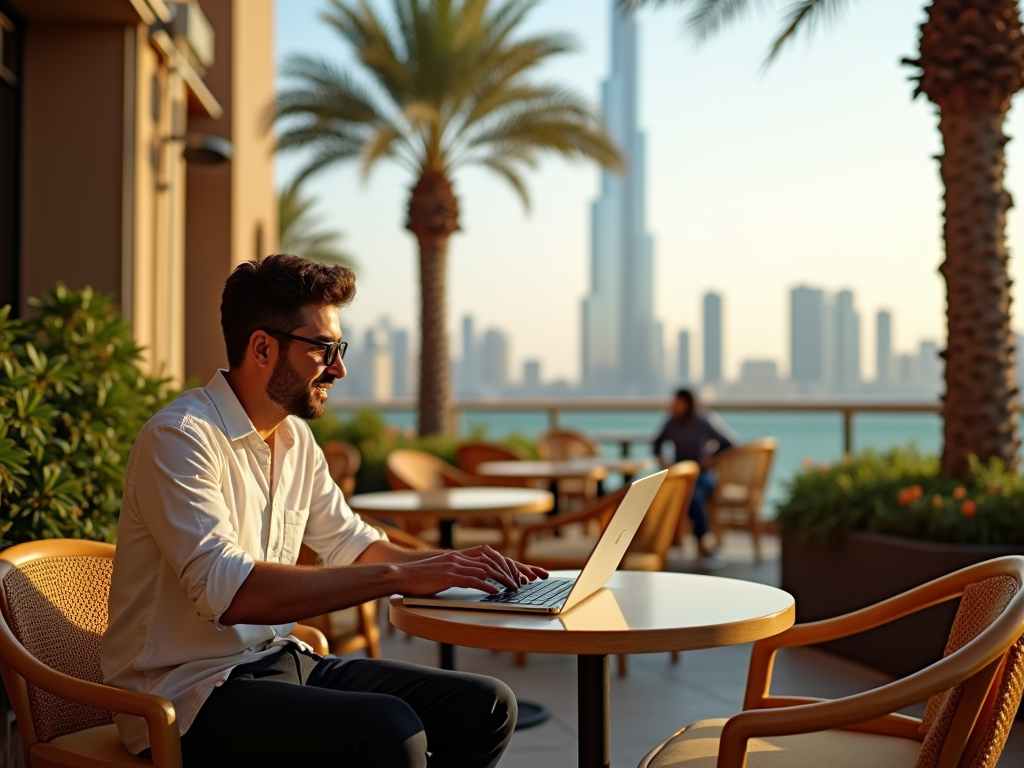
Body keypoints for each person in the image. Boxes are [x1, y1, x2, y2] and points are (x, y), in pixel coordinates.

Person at [101, 254, 548, 768]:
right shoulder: (179, 438)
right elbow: (228, 592)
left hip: (279, 660)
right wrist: (397, 575)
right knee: (390, 731)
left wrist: (454, 569)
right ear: (263, 347)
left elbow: (351, 543)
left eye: (340, 348)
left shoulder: (295, 439)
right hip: (184, 696)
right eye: (324, 349)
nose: (339, 368)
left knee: (486, 705)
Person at [652, 388, 736, 567]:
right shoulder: (671, 423)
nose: (674, 406)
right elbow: (656, 444)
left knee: (693, 496)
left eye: (678, 403)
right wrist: (664, 463)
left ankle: (703, 541)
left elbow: (728, 444)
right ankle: (663, 540)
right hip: (681, 475)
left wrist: (711, 460)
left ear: (688, 404)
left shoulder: (703, 421)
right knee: (666, 493)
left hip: (702, 474)